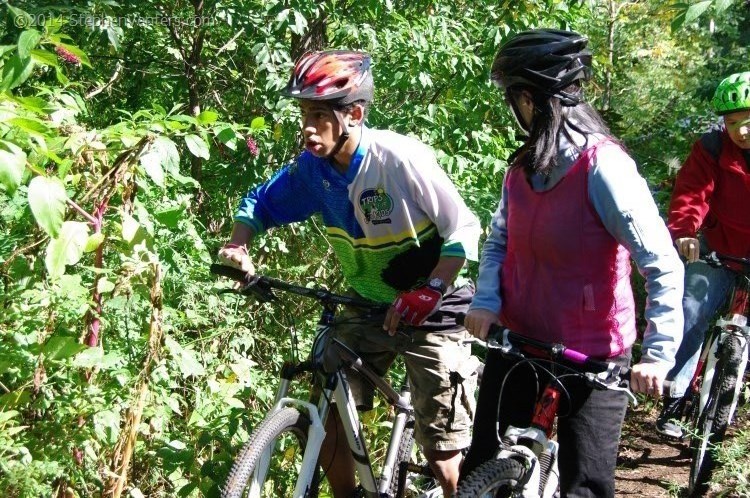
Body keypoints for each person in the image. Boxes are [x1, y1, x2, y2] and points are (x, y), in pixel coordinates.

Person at [217, 50, 481, 497]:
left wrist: (432, 288)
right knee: (330, 418)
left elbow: (463, 227)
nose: (306, 126)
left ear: (354, 114)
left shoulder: (398, 160)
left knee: (443, 458)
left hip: (431, 311)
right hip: (364, 306)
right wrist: (238, 245)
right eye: (303, 113)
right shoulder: (313, 171)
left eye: (318, 114)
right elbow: (261, 202)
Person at [459, 29, 685, 497]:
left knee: (585, 487)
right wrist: (485, 302)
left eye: (513, 98)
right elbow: (499, 241)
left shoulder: (605, 168)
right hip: (520, 340)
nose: (512, 109)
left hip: (593, 356)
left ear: (529, 99)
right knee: (482, 471)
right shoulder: (522, 168)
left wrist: (659, 356)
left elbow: (661, 263)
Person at [656, 71, 750, 438]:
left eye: (747, 120)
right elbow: (693, 192)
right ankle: (674, 402)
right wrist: (685, 232)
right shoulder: (711, 147)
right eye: (732, 122)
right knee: (690, 313)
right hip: (717, 246)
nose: (740, 130)